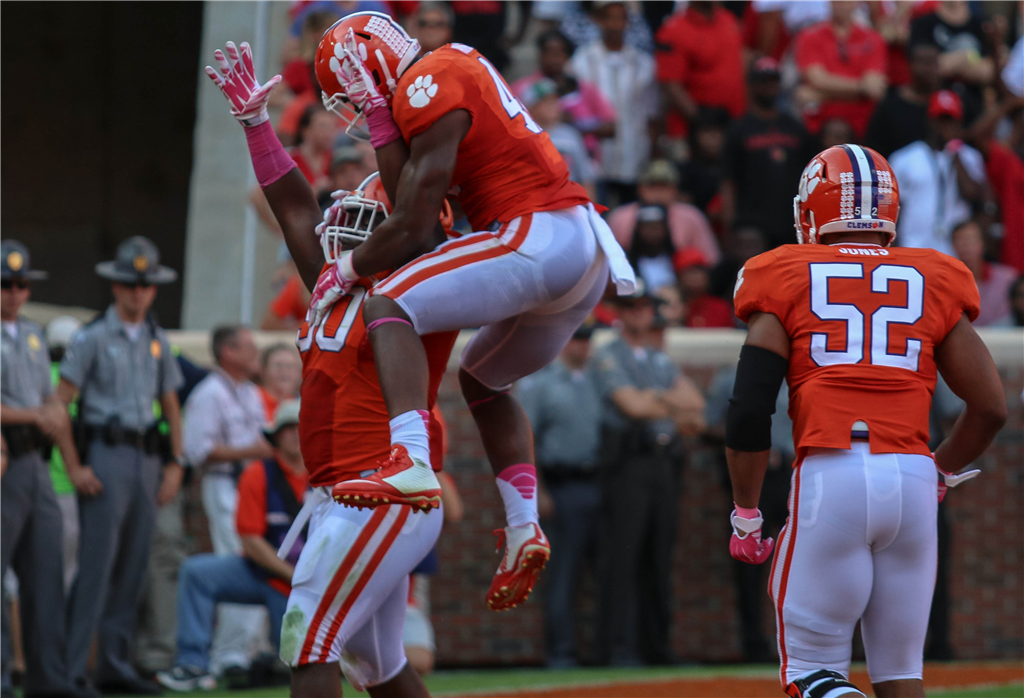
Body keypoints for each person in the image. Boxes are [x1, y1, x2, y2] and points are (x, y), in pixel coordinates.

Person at [303, 13, 634, 612]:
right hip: (576, 252)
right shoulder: (438, 75)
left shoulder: (431, 77)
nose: (353, 106)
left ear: (374, 65)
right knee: (482, 378)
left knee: (388, 302)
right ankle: (523, 525)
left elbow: (415, 224)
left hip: (540, 234)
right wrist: (382, 123)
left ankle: (408, 458)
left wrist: (343, 270)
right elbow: (414, 204)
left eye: (353, 90)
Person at [207, 44, 459, 695]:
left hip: (380, 490)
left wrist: (380, 117)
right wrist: (258, 126)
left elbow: (415, 208)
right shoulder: (333, 283)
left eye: (369, 214)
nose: (346, 220)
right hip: (343, 491)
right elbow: (295, 209)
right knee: (377, 665)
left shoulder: (419, 286)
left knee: (308, 636)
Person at [726, 144, 1006, 698]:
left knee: (810, 672)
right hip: (912, 481)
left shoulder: (782, 271)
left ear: (812, 208)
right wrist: (939, 473)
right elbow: (992, 408)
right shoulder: (934, 275)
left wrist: (747, 513)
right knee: (901, 676)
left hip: (832, 474)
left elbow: (752, 406)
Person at [58, 236, 185, 696]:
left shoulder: (156, 339)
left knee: (133, 565)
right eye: (131, 284)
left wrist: (175, 464)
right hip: (106, 454)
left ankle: (113, 665)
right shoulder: (91, 337)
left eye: (146, 285)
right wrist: (73, 467)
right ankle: (71, 672)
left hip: (146, 458)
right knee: (96, 566)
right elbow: (60, 407)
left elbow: (171, 405)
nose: (139, 293)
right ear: (116, 286)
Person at [0, 241, 99, 698]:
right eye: (6, 284)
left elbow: (51, 404)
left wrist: (70, 458)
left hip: (36, 464)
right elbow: (40, 410)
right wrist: (37, 416)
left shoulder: (34, 335)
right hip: (5, 464)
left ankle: (49, 681)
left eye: (22, 284)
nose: (15, 293)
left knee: (46, 578)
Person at [156, 400, 308, 692]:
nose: (294, 435)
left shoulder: (327, 477)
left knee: (302, 662)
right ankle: (192, 664)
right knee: (196, 572)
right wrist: (293, 575)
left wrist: (307, 581)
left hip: (309, 587)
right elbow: (249, 540)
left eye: (301, 427)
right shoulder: (258, 473)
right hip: (268, 574)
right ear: (275, 436)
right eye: (287, 429)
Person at [593, 287, 705, 666]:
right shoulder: (608, 353)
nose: (641, 314)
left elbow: (696, 407)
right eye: (632, 307)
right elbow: (632, 406)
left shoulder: (659, 358)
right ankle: (612, 649)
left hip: (663, 462)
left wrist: (656, 399)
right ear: (620, 313)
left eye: (644, 307)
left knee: (659, 557)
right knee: (622, 557)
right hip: (628, 460)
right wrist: (666, 401)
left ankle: (657, 648)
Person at [182, 326, 274, 679]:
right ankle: (229, 656)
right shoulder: (209, 393)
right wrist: (253, 451)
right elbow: (198, 451)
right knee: (239, 562)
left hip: (254, 487)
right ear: (227, 352)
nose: (255, 354)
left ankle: (252, 652)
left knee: (261, 561)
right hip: (224, 484)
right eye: (248, 348)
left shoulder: (251, 392)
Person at [517, 324, 603, 668]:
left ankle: (602, 650)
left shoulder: (597, 378)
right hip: (560, 483)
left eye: (586, 339)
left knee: (601, 572)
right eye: (576, 337)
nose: (582, 346)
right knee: (563, 574)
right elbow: (523, 438)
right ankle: (561, 652)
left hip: (597, 481)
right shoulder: (540, 382)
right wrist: (536, 490)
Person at [721, 57, 819, 249]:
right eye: (764, 81)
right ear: (752, 85)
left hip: (791, 221)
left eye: (773, 81)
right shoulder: (739, 129)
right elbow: (728, 180)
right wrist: (729, 224)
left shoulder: (796, 128)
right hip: (752, 223)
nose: (769, 87)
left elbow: (812, 177)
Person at [571, 0, 658, 207]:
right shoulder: (582, 60)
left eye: (620, 18)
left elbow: (651, 113)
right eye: (608, 18)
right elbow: (576, 108)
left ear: (627, 23)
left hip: (634, 150)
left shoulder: (643, 63)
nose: (614, 24)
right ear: (599, 21)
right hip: (595, 155)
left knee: (630, 211)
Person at [889, 89, 988, 255]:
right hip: (913, 248)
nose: (945, 126)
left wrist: (954, 149)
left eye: (950, 121)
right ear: (930, 121)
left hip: (954, 253)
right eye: (941, 120)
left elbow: (973, 194)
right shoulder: (903, 158)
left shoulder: (970, 157)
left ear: (959, 123)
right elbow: (895, 208)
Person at [511, 30, 617, 162]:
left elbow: (611, 127)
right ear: (540, 54)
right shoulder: (522, 88)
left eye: (561, 53)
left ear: (568, 56)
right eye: (549, 52)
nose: (555, 58)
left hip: (584, 161)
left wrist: (576, 126)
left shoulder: (585, 89)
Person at [655, 0, 746, 149]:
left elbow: (739, 64)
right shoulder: (673, 31)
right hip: (693, 132)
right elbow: (670, 84)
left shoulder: (728, 19)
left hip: (732, 126)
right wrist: (702, 121)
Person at [794, 0, 888, 140]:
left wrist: (820, 94)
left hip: (863, 128)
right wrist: (862, 88)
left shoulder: (873, 39)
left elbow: (874, 89)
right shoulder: (809, 36)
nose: (842, 4)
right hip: (818, 129)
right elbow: (817, 80)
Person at [607, 160, 721, 266]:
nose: (658, 193)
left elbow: (710, 260)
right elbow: (608, 261)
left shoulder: (692, 216)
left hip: (680, 281)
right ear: (640, 188)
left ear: (675, 189)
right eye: (652, 186)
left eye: (664, 186)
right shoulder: (619, 217)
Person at [44, 315, 85, 592]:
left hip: (41, 484)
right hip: (70, 487)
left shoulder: (41, 376)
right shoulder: (78, 385)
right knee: (68, 572)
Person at [909, 0, 995, 123]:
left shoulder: (982, 25)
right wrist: (968, 57)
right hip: (932, 110)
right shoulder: (923, 23)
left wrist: (950, 63)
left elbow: (989, 72)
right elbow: (927, 69)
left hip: (974, 112)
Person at [522, 78, 598, 199]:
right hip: (535, 203)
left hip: (568, 202)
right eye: (546, 102)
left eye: (556, 101)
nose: (554, 106)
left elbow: (585, 176)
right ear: (530, 106)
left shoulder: (571, 134)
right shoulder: (522, 135)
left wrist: (590, 210)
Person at [866, 42, 942, 158]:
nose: (927, 68)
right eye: (921, 62)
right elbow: (875, 150)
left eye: (931, 62)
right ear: (909, 64)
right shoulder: (889, 106)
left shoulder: (949, 101)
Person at [951, 219, 1018, 326]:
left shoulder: (1008, 279)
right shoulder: (947, 282)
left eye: (970, 239)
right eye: (959, 240)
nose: (965, 245)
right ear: (953, 246)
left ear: (982, 243)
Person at [674, 249, 735, 328]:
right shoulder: (670, 307)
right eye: (690, 271)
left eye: (700, 270)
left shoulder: (721, 308)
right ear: (679, 276)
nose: (696, 276)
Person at [257, 344, 302, 423]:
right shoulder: (253, 399)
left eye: (290, 366)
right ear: (263, 370)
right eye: (278, 365)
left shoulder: (301, 404)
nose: (284, 371)